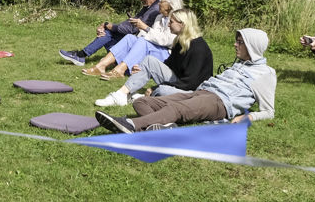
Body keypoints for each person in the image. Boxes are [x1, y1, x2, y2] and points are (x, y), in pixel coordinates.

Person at [96, 29, 276, 132]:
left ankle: (130, 125)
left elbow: (269, 110)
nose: (235, 45)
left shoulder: (265, 73)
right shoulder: (239, 64)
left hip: (219, 102)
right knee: (143, 101)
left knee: (175, 108)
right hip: (200, 92)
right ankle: (164, 127)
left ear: (252, 46)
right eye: (236, 41)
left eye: (240, 42)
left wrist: (248, 116)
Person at [95, 8, 213, 108]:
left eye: (171, 22)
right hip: (180, 82)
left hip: (192, 92)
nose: (168, 24)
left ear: (182, 24)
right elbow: (168, 65)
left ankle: (140, 98)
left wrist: (155, 87)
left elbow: (190, 83)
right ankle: (121, 95)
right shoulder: (180, 41)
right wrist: (143, 68)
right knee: (149, 60)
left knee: (162, 91)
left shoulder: (198, 48)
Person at [83, 0, 183, 80]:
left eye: (162, 1)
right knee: (130, 38)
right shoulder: (160, 17)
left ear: (170, 4)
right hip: (154, 48)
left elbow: (167, 41)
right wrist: (140, 33)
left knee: (142, 41)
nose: (159, 4)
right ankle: (101, 66)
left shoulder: (178, 19)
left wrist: (145, 28)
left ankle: (119, 70)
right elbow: (152, 35)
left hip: (167, 54)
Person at [59, 0, 161, 65]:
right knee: (108, 32)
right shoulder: (149, 6)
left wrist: (110, 26)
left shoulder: (154, 10)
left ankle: (84, 56)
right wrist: (108, 25)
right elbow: (132, 22)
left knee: (109, 32)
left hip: (144, 44)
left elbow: (132, 29)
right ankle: (88, 56)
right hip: (139, 39)